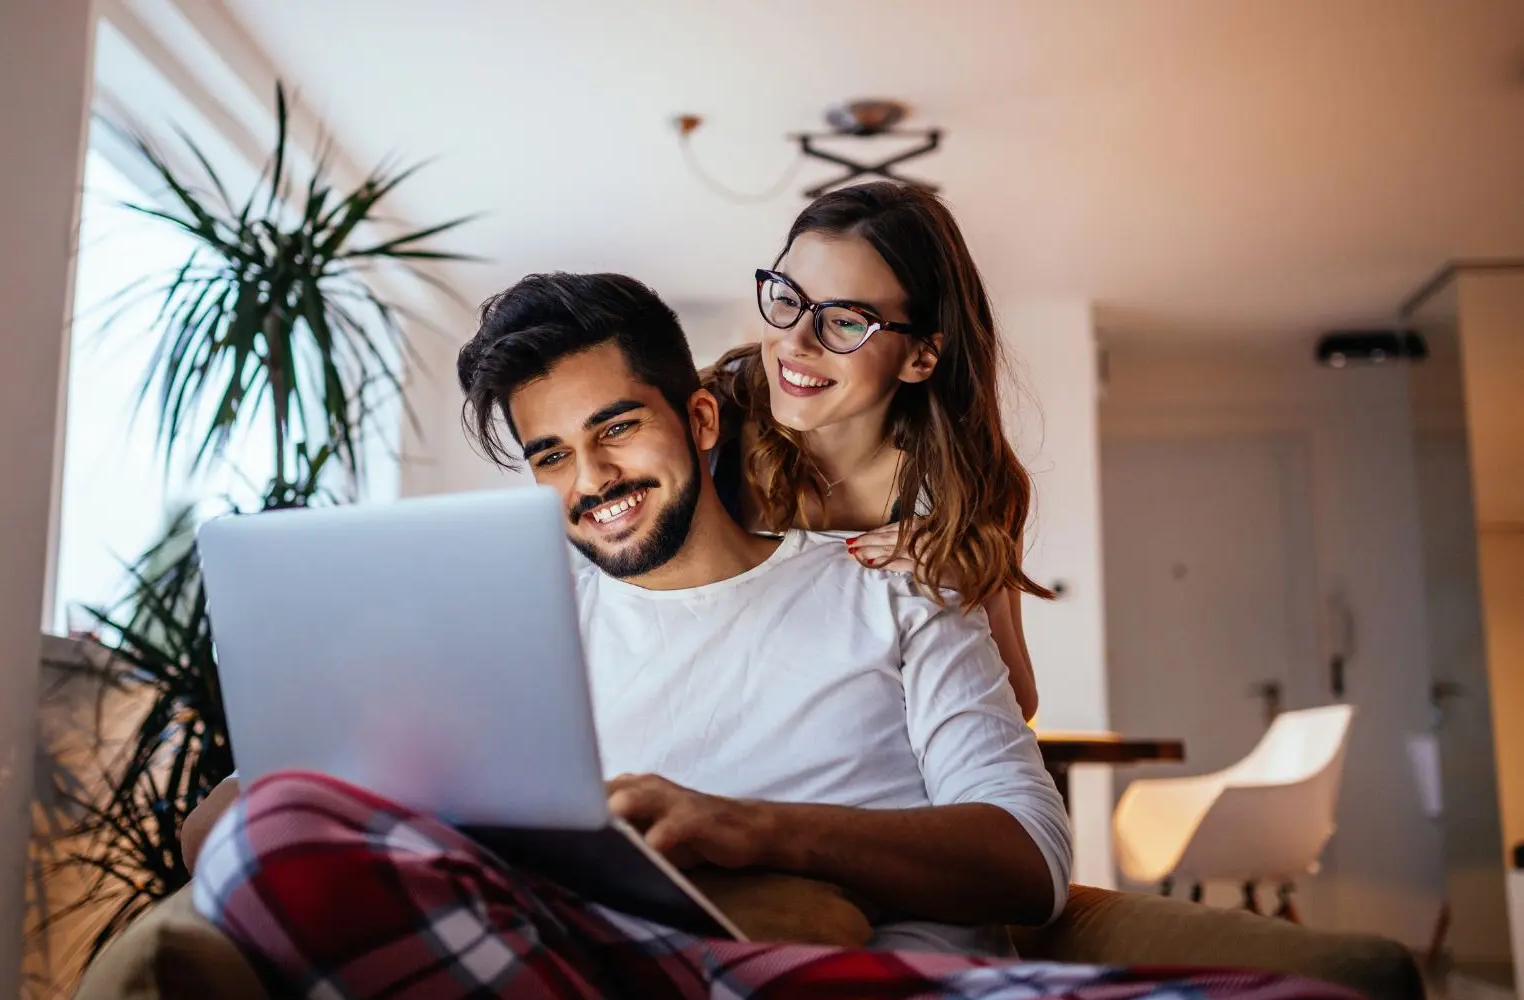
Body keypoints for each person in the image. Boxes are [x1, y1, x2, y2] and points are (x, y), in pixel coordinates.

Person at [183, 272, 1070, 989]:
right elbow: (219, 830)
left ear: (701, 420)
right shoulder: (515, 624)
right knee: (270, 833)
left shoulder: (894, 586)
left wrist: (749, 830)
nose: (593, 477)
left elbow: (1030, 856)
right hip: (606, 971)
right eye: (552, 456)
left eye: (617, 428)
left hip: (855, 976)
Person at [706, 181, 1048, 719]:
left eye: (844, 321)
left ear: (921, 356)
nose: (796, 342)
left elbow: (1016, 701)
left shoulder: (971, 487)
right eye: (788, 298)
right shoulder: (706, 427)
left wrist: (968, 590)